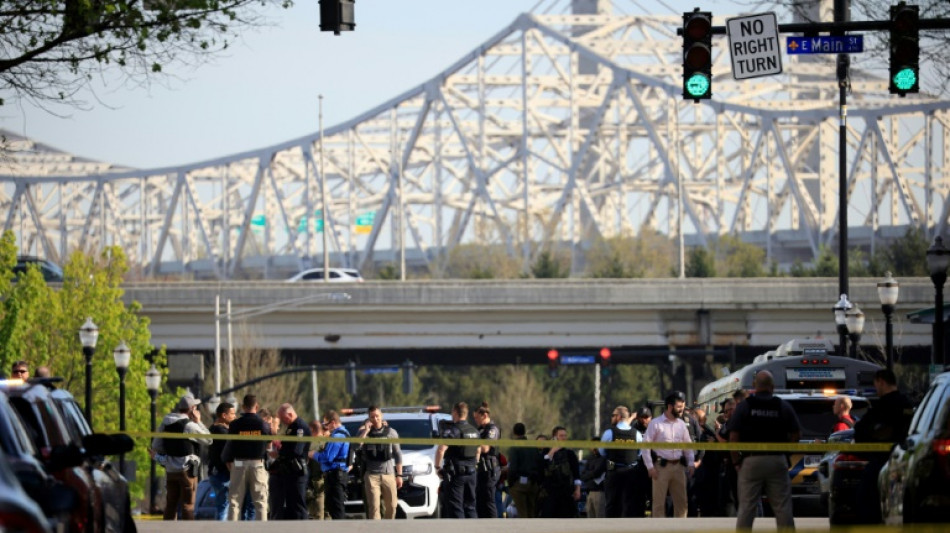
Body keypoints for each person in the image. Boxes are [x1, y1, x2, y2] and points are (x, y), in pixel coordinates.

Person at [729, 370, 800, 529]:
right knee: (783, 507)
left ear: (754, 386)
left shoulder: (745, 406)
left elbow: (733, 437)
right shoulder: (782, 406)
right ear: (772, 387)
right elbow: (796, 434)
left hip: (751, 461)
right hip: (777, 460)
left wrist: (736, 462)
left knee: (747, 507)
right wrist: (786, 453)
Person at [853, 368, 915, 523]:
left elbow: (861, 430)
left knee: (866, 498)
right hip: (906, 461)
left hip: (881, 462)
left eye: (876, 385)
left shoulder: (881, 407)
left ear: (881, 382)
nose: (876, 389)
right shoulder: (907, 404)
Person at [151, 394, 212, 520]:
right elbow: (209, 440)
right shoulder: (189, 426)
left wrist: (169, 456)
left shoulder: (166, 422)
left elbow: (156, 445)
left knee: (171, 505)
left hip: (170, 471)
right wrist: (199, 421)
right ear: (192, 409)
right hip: (187, 471)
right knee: (188, 505)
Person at [641, 390, 694, 518]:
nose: (682, 410)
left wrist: (691, 463)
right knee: (659, 504)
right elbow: (645, 446)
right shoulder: (656, 424)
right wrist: (650, 467)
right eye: (679, 407)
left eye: (683, 406)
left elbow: (688, 445)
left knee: (682, 503)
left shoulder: (682, 425)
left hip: (679, 468)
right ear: (670, 406)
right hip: (660, 468)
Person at [222, 394, 272, 521]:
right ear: (257, 406)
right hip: (257, 465)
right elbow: (269, 444)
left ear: (243, 407)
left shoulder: (234, 425)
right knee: (260, 503)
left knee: (234, 502)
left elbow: (230, 444)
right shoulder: (264, 425)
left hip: (239, 464)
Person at [355, 405, 403, 519]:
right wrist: (366, 430)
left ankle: (387, 528)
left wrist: (399, 475)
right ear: (369, 418)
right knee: (374, 508)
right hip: (372, 475)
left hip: (388, 473)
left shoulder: (391, 432)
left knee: (392, 506)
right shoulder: (364, 433)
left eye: (377, 416)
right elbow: (356, 445)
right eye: (372, 417)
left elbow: (398, 454)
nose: (375, 419)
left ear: (381, 416)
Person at [434, 401, 480, 518]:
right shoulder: (475, 431)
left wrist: (437, 467)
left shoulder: (454, 430)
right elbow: (478, 451)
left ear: (455, 412)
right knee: (470, 507)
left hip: (456, 475)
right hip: (472, 473)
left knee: (456, 507)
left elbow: (441, 450)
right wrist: (475, 464)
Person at [268, 403, 310, 519]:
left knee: (298, 506)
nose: (282, 422)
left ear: (290, 414)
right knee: (291, 507)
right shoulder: (292, 427)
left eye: (283, 419)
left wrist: (280, 453)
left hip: (297, 471)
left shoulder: (299, 428)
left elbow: (296, 450)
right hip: (290, 472)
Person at [600, 405, 641, 517]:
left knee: (612, 504)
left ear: (618, 417)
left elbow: (602, 452)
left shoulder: (609, 433)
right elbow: (639, 453)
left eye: (613, 415)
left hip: (614, 472)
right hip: (631, 472)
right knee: (630, 504)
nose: (611, 418)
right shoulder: (636, 434)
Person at [538, 426, 581, 518]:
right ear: (554, 437)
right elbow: (540, 466)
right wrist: (551, 452)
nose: (564, 438)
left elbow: (576, 474)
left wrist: (577, 489)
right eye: (561, 436)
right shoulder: (546, 452)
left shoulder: (570, 454)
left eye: (565, 436)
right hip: (549, 493)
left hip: (566, 493)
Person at [316, 409, 350, 520]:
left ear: (333, 422)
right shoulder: (344, 433)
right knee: (333, 507)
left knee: (336, 509)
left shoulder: (337, 437)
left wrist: (313, 455)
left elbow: (327, 457)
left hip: (335, 476)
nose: (325, 427)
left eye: (326, 424)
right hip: (336, 475)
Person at [207, 401, 237, 521]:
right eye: (232, 414)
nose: (234, 416)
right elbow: (227, 456)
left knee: (222, 506)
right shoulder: (222, 432)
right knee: (224, 507)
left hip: (215, 471)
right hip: (222, 474)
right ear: (224, 415)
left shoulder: (213, 428)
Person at [506, 422, 541, 519]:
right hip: (533, 482)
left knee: (522, 513)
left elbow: (512, 468)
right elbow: (538, 463)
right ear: (525, 432)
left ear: (514, 432)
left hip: (519, 483)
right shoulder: (533, 446)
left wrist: (511, 483)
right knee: (532, 512)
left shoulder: (515, 447)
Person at [473, 402, 501, 518]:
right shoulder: (480, 430)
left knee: (489, 502)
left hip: (490, 470)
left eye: (477, 418)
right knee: (480, 502)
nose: (475, 420)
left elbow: (485, 448)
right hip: (481, 471)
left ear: (484, 415)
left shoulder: (492, 429)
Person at [630, 407, 653, 517]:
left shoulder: (655, 428)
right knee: (638, 498)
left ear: (651, 417)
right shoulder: (633, 429)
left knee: (654, 496)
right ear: (638, 418)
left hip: (653, 468)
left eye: (646, 417)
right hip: (638, 467)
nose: (644, 420)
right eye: (642, 418)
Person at [580, 438, 606, 518]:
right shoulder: (590, 458)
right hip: (589, 492)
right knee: (590, 516)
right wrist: (589, 474)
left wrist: (588, 474)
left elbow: (597, 473)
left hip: (599, 492)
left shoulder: (603, 458)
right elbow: (583, 474)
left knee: (599, 516)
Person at [305, 420, 326, 520]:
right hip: (327, 477)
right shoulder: (327, 441)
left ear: (312, 429)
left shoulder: (310, 444)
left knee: (318, 501)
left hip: (315, 478)